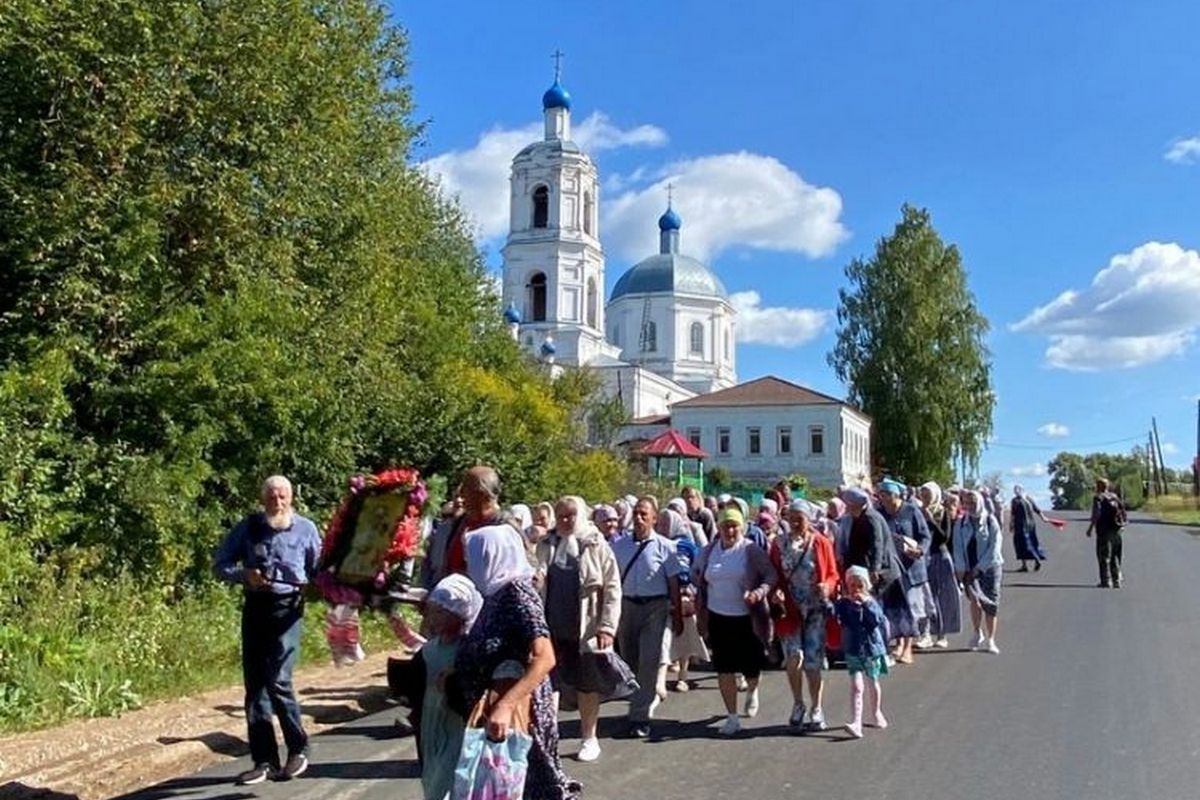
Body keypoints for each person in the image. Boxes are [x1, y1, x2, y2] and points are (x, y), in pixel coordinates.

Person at [457, 511, 580, 800]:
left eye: (473, 555)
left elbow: (545, 657)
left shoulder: (517, 594)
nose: (469, 563)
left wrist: (506, 705)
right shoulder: (493, 594)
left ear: (492, 555)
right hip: (494, 717)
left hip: (517, 718)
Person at [214, 476, 322, 785]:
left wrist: (314, 586)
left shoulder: (307, 529)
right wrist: (244, 575)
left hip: (288, 609)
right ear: (263, 500)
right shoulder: (248, 527)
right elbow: (220, 564)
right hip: (256, 607)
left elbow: (319, 573)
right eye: (272, 497)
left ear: (292, 498)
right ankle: (264, 760)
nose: (278, 502)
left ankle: (298, 748)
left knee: (279, 679)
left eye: (283, 496)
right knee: (256, 685)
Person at [533, 496, 621, 763]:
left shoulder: (595, 544)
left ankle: (589, 738)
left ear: (581, 516)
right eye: (561, 516)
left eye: (571, 515)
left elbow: (612, 586)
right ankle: (549, 739)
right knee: (548, 686)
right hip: (551, 629)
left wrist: (607, 626)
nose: (566, 520)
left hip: (586, 629)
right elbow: (535, 578)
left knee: (587, 685)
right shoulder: (546, 544)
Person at [692, 506, 778, 736]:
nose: (730, 530)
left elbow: (771, 576)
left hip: (747, 618)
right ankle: (731, 717)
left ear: (742, 527)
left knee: (751, 666)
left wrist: (758, 593)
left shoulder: (751, 551)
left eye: (734, 526)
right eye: (725, 526)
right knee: (724, 667)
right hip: (718, 616)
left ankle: (752, 690)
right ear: (718, 527)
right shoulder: (709, 550)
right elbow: (697, 574)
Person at [612, 499, 684, 739]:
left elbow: (674, 582)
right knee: (629, 660)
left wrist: (677, 614)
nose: (639, 518)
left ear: (654, 519)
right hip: (626, 606)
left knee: (649, 659)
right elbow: (611, 580)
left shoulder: (666, 547)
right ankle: (637, 702)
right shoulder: (619, 546)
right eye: (636, 514)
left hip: (655, 607)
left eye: (644, 514)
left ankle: (640, 716)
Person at [770, 500, 839, 731]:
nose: (796, 523)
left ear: (809, 520)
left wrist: (827, 587)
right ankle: (798, 704)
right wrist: (775, 591)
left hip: (815, 610)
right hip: (789, 610)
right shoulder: (779, 544)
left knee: (813, 661)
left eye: (800, 518)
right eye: (792, 518)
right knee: (793, 656)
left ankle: (817, 707)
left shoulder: (821, 543)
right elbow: (773, 574)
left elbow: (833, 574)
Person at [418, 574, 483, 800]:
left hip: (457, 725)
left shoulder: (467, 651)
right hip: (432, 721)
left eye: (441, 612)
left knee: (451, 776)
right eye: (431, 611)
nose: (433, 618)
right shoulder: (428, 650)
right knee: (433, 775)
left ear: (460, 612)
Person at [877, 479, 930, 665]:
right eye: (881, 494)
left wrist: (920, 550)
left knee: (910, 609)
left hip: (911, 568)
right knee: (896, 609)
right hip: (891, 568)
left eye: (886, 494)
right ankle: (898, 645)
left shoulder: (911, 511)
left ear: (896, 495)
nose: (882, 498)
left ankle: (908, 648)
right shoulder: (879, 513)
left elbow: (925, 536)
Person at [832, 566, 888, 739]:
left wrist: (866, 604)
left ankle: (877, 712)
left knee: (873, 682)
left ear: (866, 586)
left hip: (871, 648)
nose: (856, 590)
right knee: (856, 685)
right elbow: (835, 615)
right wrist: (828, 601)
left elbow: (876, 620)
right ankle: (856, 722)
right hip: (853, 648)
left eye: (859, 586)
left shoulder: (871, 602)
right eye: (852, 585)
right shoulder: (844, 603)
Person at [657, 509, 709, 692]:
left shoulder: (687, 545)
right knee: (663, 637)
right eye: (660, 523)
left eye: (666, 523)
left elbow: (697, 569)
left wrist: (692, 590)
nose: (662, 526)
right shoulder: (655, 543)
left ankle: (683, 676)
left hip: (685, 595)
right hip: (662, 594)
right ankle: (660, 679)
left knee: (684, 634)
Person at [953, 490, 1003, 654]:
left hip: (989, 567)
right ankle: (976, 632)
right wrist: (961, 568)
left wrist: (980, 567)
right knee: (975, 600)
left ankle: (991, 640)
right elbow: (958, 547)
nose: (970, 506)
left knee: (990, 603)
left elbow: (994, 547)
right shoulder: (960, 524)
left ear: (980, 503)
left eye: (973, 503)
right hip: (969, 568)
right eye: (967, 503)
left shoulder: (990, 521)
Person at [917, 482, 961, 649]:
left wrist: (931, 520)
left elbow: (945, 538)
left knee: (941, 596)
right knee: (924, 596)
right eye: (923, 495)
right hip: (923, 557)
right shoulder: (917, 512)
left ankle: (942, 634)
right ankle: (925, 633)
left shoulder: (943, 513)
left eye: (928, 495)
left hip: (940, 557)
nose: (925, 499)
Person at [1085, 478, 1127, 588]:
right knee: (1115, 555)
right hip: (1116, 529)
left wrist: (1090, 528)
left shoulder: (1098, 498)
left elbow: (1096, 513)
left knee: (1104, 556)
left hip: (1104, 530)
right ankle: (1117, 580)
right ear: (1107, 486)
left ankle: (1106, 581)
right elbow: (1123, 511)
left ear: (1098, 487)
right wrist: (1122, 524)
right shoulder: (1115, 497)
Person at [1010, 485, 1049, 572]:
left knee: (1021, 545)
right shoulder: (1028, 499)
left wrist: (1011, 525)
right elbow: (1037, 509)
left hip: (1020, 526)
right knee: (1032, 543)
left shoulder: (1015, 501)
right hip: (1031, 525)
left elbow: (1013, 514)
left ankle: (1024, 565)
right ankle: (1036, 560)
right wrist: (1043, 518)